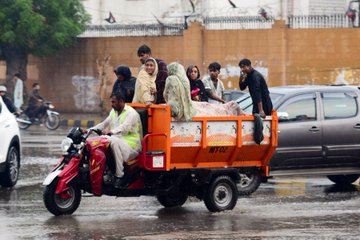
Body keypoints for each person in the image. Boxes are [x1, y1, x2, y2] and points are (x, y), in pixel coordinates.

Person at [92, 92, 142, 188]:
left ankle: (120, 175)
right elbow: (104, 124)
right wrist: (90, 130)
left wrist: (111, 132)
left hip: (132, 146)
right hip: (119, 142)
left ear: (121, 101)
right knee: (102, 141)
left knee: (112, 141)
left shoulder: (131, 113)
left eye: (114, 102)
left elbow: (125, 127)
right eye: (111, 102)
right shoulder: (113, 112)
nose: (112, 104)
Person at [164, 62, 243, 121]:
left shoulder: (209, 83)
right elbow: (209, 94)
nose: (193, 74)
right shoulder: (201, 81)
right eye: (191, 72)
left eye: (195, 72)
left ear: (219, 72)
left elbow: (206, 96)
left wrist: (223, 102)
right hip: (202, 107)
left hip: (213, 107)